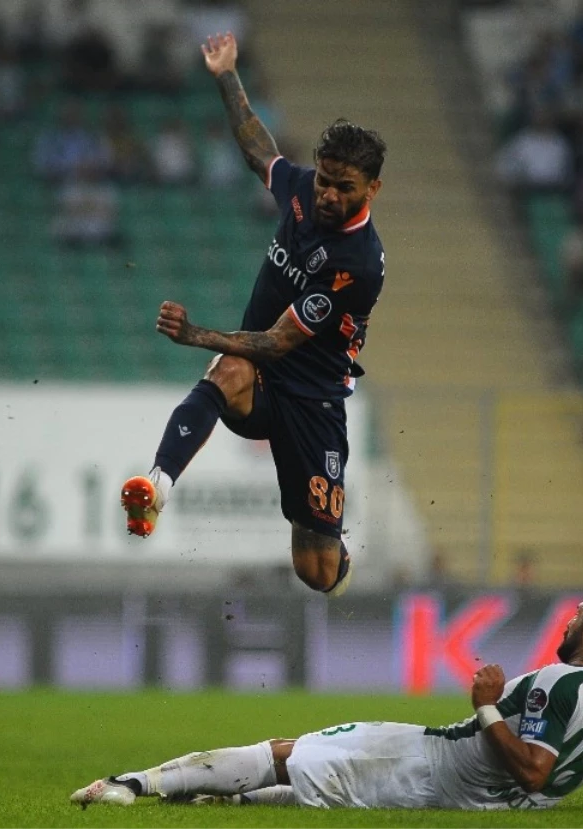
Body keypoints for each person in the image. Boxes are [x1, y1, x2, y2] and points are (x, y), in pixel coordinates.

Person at [119, 32, 386, 596]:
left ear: (372, 189)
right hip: (261, 381)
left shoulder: (356, 263)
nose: (330, 195)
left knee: (313, 573)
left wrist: (196, 334)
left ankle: (334, 550)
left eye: (346, 187)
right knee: (229, 370)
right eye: (325, 178)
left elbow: (277, 342)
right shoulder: (302, 190)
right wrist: (226, 74)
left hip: (313, 397)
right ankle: (158, 485)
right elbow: (257, 148)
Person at [71, 585, 583, 812]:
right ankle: (209, 796)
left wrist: (487, 705)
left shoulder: (560, 681)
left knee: (290, 753)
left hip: (432, 764)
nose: (569, 621)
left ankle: (134, 784)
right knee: (318, 785)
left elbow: (535, 768)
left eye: (579, 615)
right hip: (476, 801)